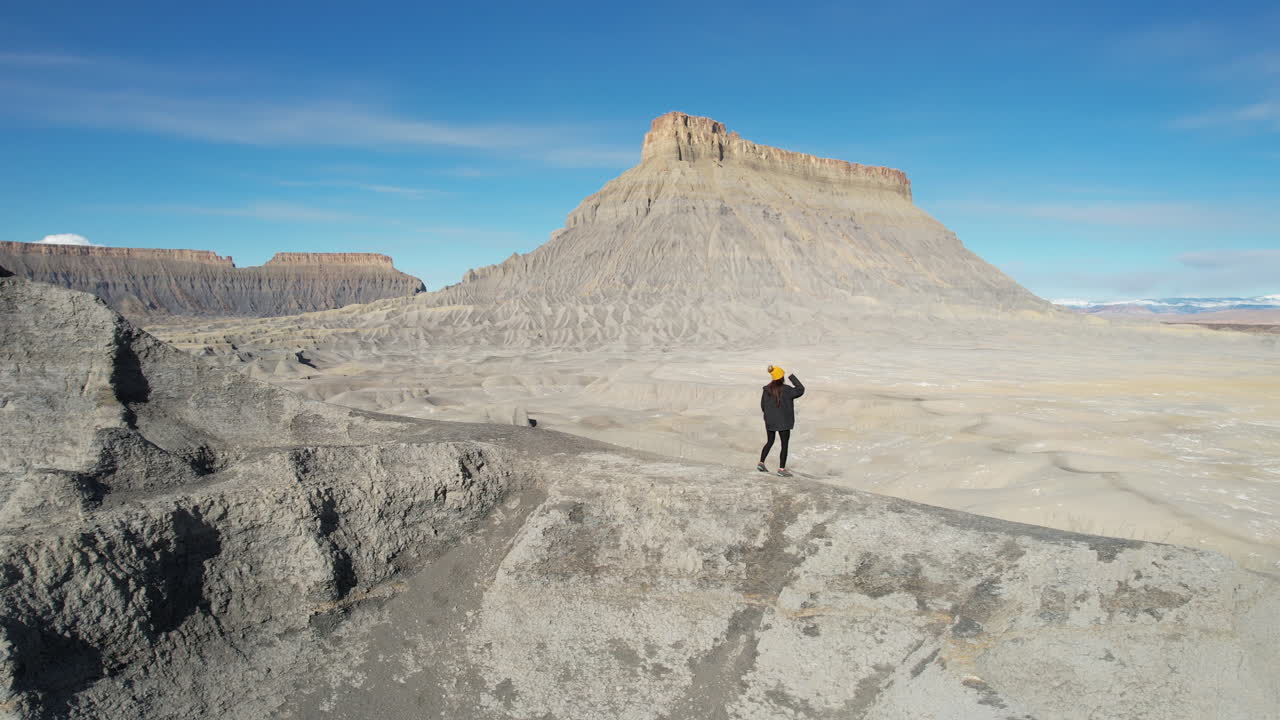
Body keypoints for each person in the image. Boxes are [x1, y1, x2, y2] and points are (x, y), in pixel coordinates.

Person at [758, 364, 804, 477]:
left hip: (770, 421)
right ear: (782, 377)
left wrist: (768, 416)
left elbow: (762, 405)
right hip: (783, 422)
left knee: (770, 441)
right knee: (784, 445)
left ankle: (761, 463)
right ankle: (781, 469)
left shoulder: (766, 389)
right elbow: (800, 389)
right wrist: (792, 377)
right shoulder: (787, 390)